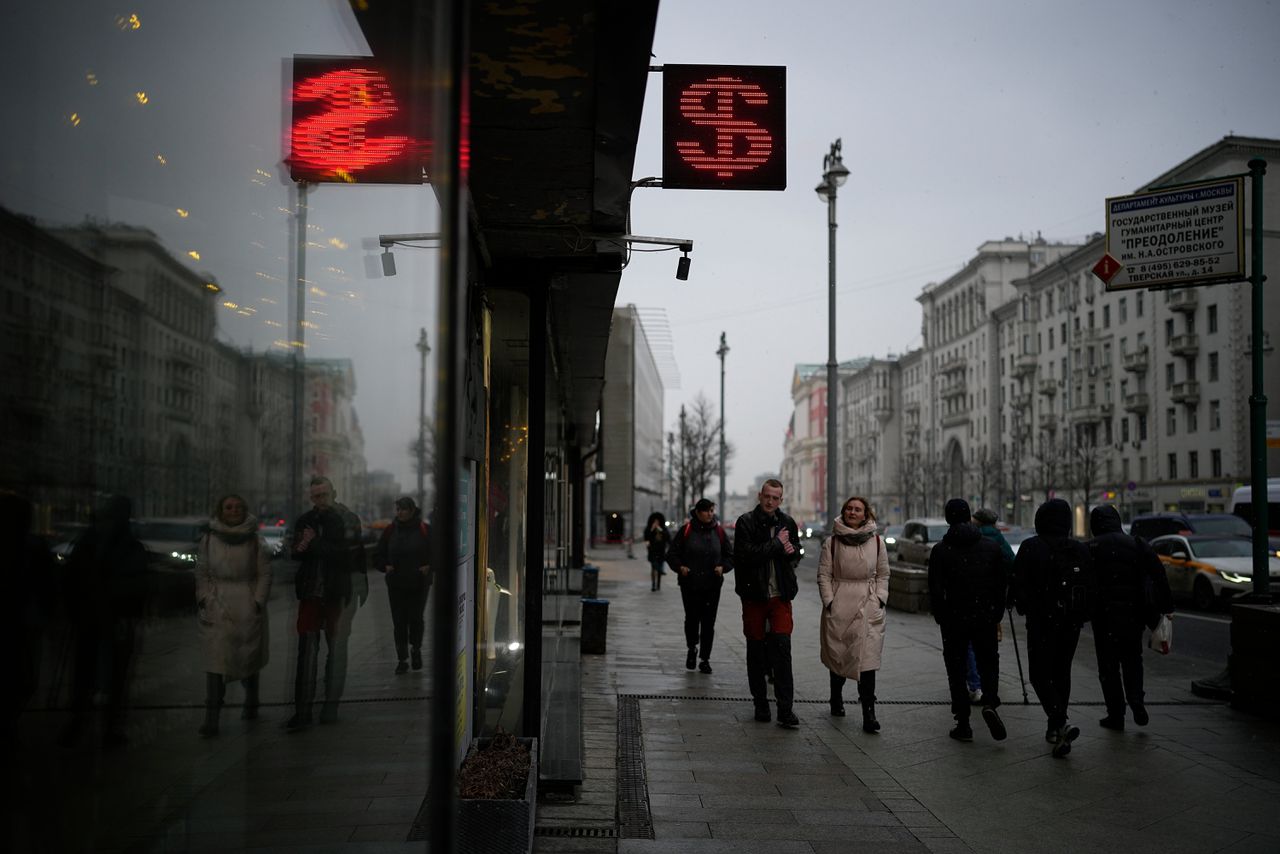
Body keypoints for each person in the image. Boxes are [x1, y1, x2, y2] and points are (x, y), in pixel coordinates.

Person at [60, 495, 149, 747]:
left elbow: (72, 579)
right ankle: (101, 725)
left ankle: (84, 723)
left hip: (100, 617)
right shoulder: (121, 544)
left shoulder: (92, 541)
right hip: (105, 618)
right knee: (106, 674)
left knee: (90, 672)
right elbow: (137, 585)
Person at [1012, 497, 1096, 757]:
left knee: (1039, 674)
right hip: (1070, 621)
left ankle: (1059, 721)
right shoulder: (1079, 549)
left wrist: (1018, 603)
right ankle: (1055, 728)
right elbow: (1091, 585)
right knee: (1062, 672)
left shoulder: (1031, 547)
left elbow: (1017, 583)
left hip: (1041, 620)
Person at [286, 476, 368, 730]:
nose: (319, 500)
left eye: (323, 495)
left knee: (336, 650)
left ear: (333, 493)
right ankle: (302, 710)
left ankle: (330, 706)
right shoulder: (306, 520)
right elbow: (296, 551)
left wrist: (315, 543)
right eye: (315, 496)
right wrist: (304, 545)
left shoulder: (345, 518)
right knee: (306, 651)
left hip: (336, 593)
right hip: (311, 592)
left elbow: (347, 556)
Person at [928, 499, 1009, 743]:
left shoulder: (941, 550)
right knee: (988, 661)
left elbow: (935, 589)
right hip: (984, 616)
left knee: (956, 667)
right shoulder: (990, 547)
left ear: (947, 519)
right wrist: (996, 613)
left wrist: (941, 615)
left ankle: (962, 722)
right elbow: (1000, 583)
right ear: (969, 517)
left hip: (954, 619)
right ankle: (990, 703)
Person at [1087, 504, 1173, 730]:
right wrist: (1166, 606)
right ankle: (1136, 700)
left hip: (1103, 617)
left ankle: (1116, 714)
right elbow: (1158, 575)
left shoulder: (1091, 547)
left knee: (1108, 667)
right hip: (1133, 615)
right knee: (1133, 660)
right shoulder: (1137, 544)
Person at [195, 494, 272, 737]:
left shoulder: (255, 541)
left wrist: (257, 601)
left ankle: (252, 699)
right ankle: (212, 716)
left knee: (247, 657)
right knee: (216, 661)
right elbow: (202, 572)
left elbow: (264, 573)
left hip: (246, 604)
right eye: (228, 507)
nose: (234, 511)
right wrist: (205, 598)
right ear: (221, 511)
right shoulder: (209, 540)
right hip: (217, 606)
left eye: (238, 507)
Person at [817, 495, 890, 733]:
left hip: (868, 605)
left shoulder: (877, 542)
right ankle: (835, 697)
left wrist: (879, 598)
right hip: (840, 603)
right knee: (838, 655)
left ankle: (869, 713)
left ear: (866, 513)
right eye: (849, 508)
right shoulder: (832, 543)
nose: (852, 512)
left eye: (857, 509)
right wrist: (830, 601)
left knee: (867, 661)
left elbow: (883, 573)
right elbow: (824, 575)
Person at [733, 479, 802, 728]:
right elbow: (745, 555)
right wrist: (775, 544)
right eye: (767, 496)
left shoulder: (787, 523)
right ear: (760, 495)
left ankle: (785, 709)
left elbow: (795, 552)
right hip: (754, 596)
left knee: (783, 651)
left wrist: (790, 550)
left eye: (776, 497)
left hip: (780, 596)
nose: (771, 501)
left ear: (781, 499)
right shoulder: (746, 522)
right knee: (756, 651)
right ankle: (761, 703)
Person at [666, 499, 732, 674]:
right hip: (690, 584)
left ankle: (705, 659)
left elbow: (730, 555)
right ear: (697, 512)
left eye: (712, 510)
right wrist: (680, 567)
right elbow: (672, 554)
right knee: (692, 619)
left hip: (712, 585)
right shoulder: (686, 531)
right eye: (706, 511)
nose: (710, 514)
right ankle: (692, 648)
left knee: (709, 623)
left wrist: (723, 567)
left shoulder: (719, 532)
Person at [373, 496, 432, 675]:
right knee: (399, 622)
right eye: (397, 509)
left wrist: (429, 566)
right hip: (396, 583)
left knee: (415, 618)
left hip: (418, 583)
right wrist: (385, 566)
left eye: (403, 509)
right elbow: (378, 554)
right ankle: (402, 659)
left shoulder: (425, 530)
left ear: (412, 510)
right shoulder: (391, 530)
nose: (399, 513)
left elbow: (438, 552)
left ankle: (416, 649)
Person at [966, 508, 1015, 700]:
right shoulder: (999, 540)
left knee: (969, 643)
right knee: (989, 643)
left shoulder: (972, 538)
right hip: (991, 599)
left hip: (971, 596)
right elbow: (1011, 564)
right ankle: (989, 685)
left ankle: (975, 685)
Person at [644, 512, 670, 592]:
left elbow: (667, 537)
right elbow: (646, 537)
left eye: (657, 521)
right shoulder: (649, 529)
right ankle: (653, 585)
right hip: (652, 551)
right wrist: (652, 529)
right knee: (654, 567)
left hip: (661, 551)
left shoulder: (663, 529)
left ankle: (658, 584)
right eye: (655, 521)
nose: (656, 523)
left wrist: (660, 529)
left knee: (659, 568)